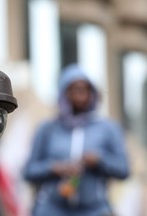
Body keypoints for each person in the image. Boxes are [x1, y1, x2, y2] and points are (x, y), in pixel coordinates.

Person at [23, 64, 130, 216]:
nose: (80, 95)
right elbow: (28, 171)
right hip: (52, 210)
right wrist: (55, 168)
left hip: (95, 210)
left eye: (84, 89)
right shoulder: (47, 129)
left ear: (92, 93)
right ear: (63, 93)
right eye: (74, 89)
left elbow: (124, 169)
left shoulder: (107, 128)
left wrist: (99, 160)